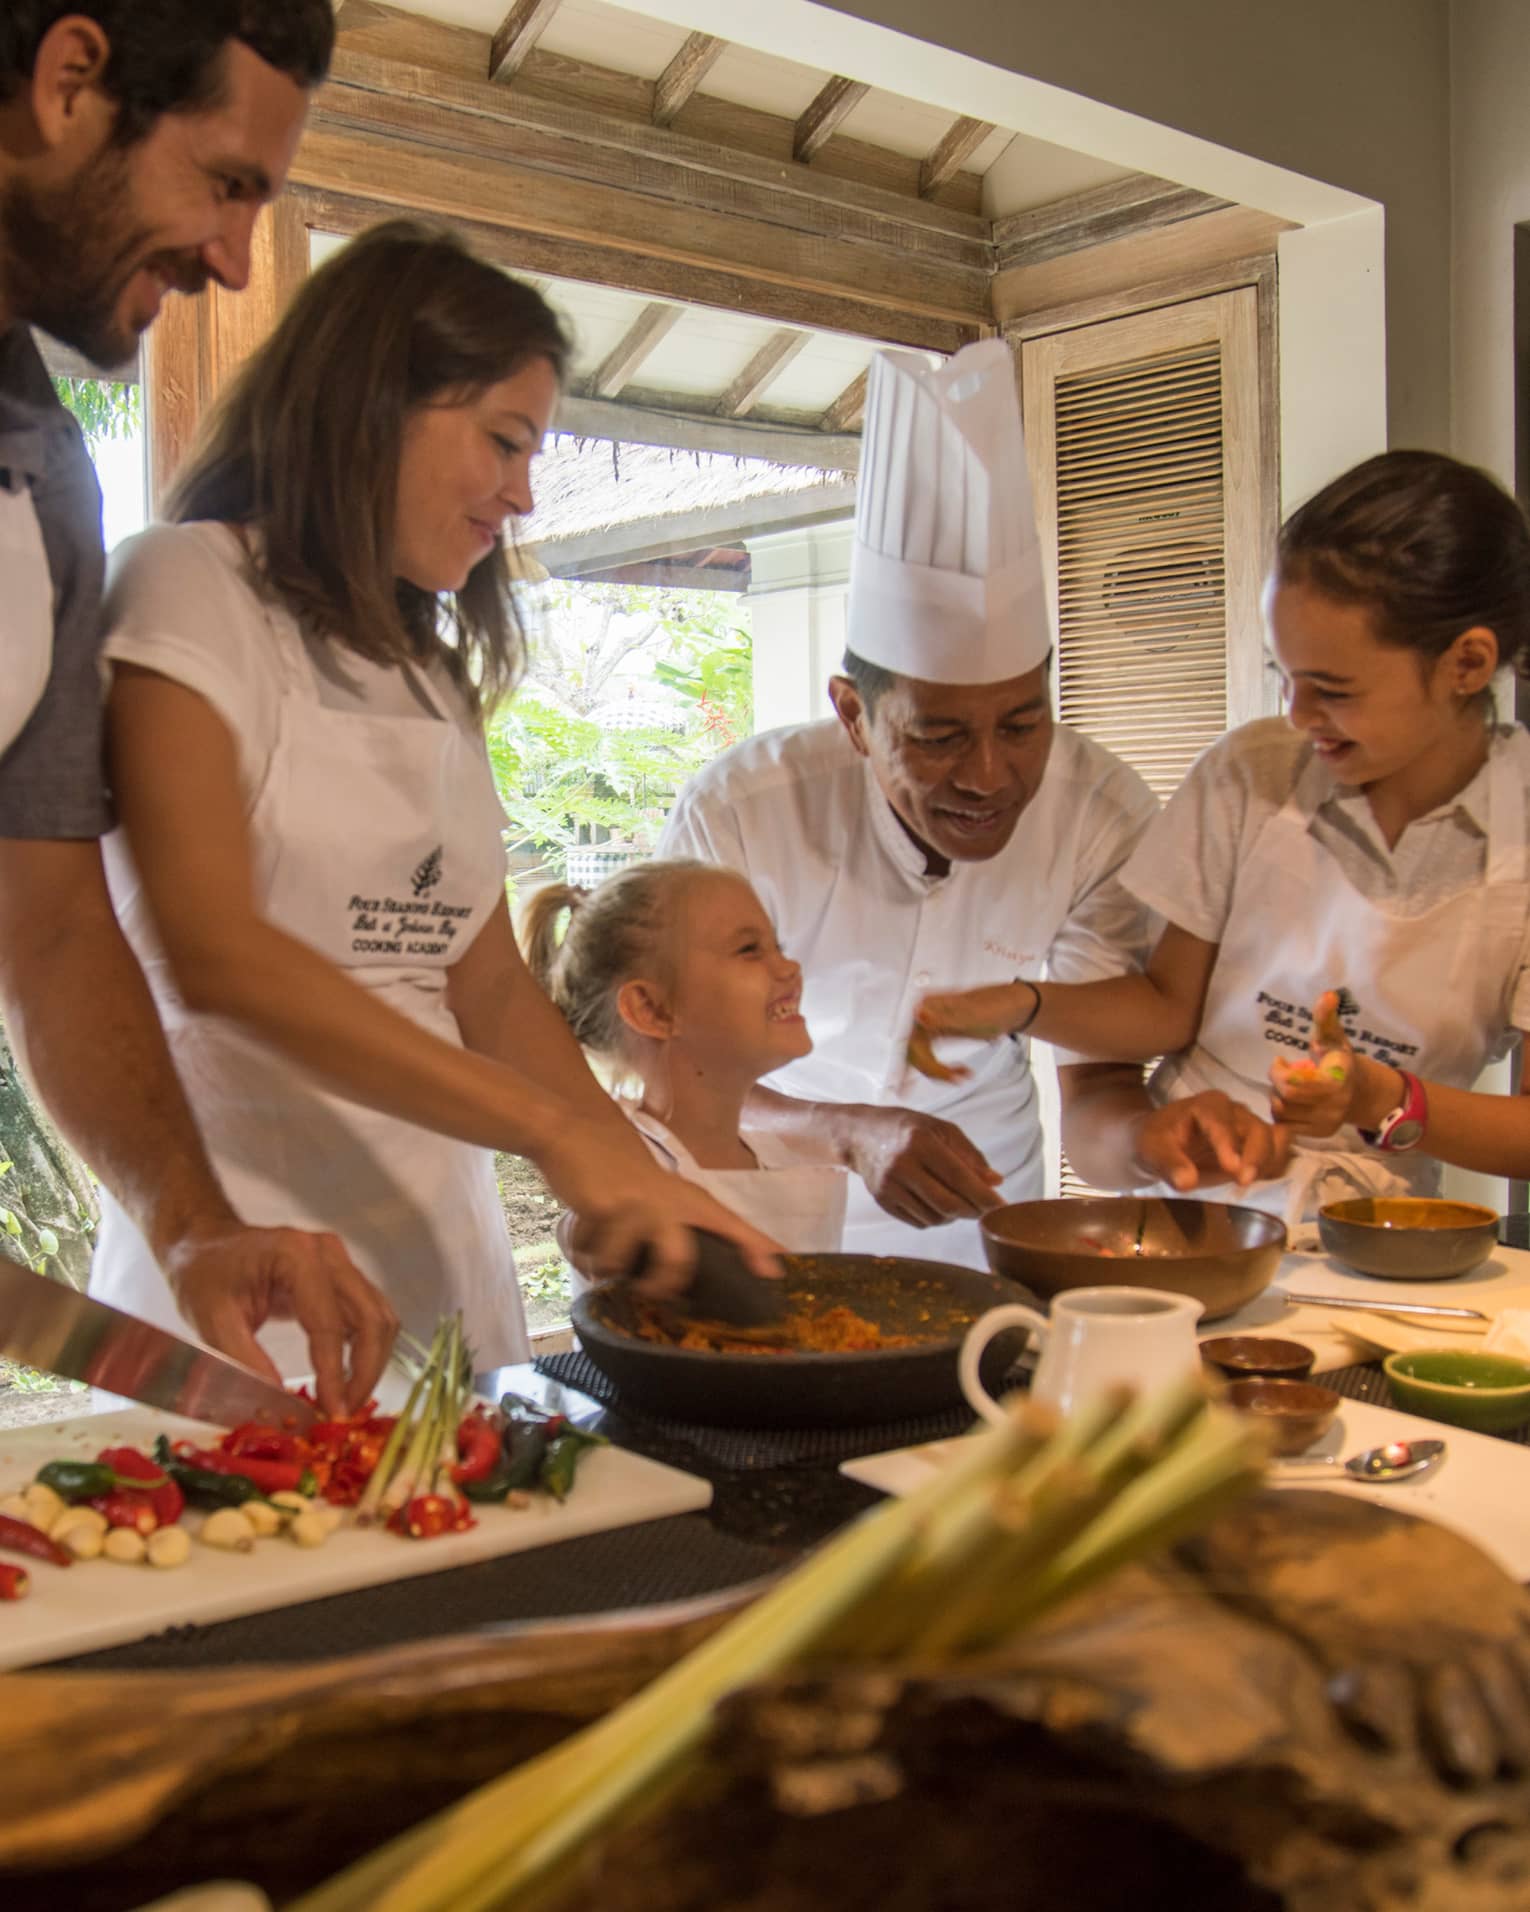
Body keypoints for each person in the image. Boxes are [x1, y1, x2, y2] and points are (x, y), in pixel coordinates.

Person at [89, 219, 778, 1376]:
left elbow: (490, 987)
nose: (521, 494)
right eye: (504, 443)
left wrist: (640, 1176)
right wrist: (557, 1135)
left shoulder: (430, 676)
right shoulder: (187, 586)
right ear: (373, 405)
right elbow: (211, 950)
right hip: (251, 1281)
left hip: (440, 1272)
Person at [0, 0, 399, 1411]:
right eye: (227, 182)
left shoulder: (44, 478)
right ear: (68, 80)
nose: (235, 258)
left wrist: (193, 1221)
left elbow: (47, 923)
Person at [913, 450, 1530, 1223]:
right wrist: (1021, 1004)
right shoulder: (1255, 771)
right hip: (1186, 1219)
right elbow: (1168, 1008)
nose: (1298, 715)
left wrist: (1383, 1096)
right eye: (1285, 675)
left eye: (1333, 690)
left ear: (1467, 663)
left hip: (1370, 1237)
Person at [661, 338, 1166, 1269]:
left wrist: (1155, 1153)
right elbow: (667, 1072)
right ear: (854, 715)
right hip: (765, 1231)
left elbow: (1101, 1068)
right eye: (936, 737)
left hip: (987, 1234)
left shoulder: (1099, 811)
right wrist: (850, 1130)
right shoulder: (743, 812)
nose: (987, 776)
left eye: (1023, 725)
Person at [521, 862, 848, 1267]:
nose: (789, 967)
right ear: (652, 1009)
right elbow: (586, 1231)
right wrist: (590, 1231)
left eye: (777, 946)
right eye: (749, 950)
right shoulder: (623, 1163)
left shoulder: (786, 1156)